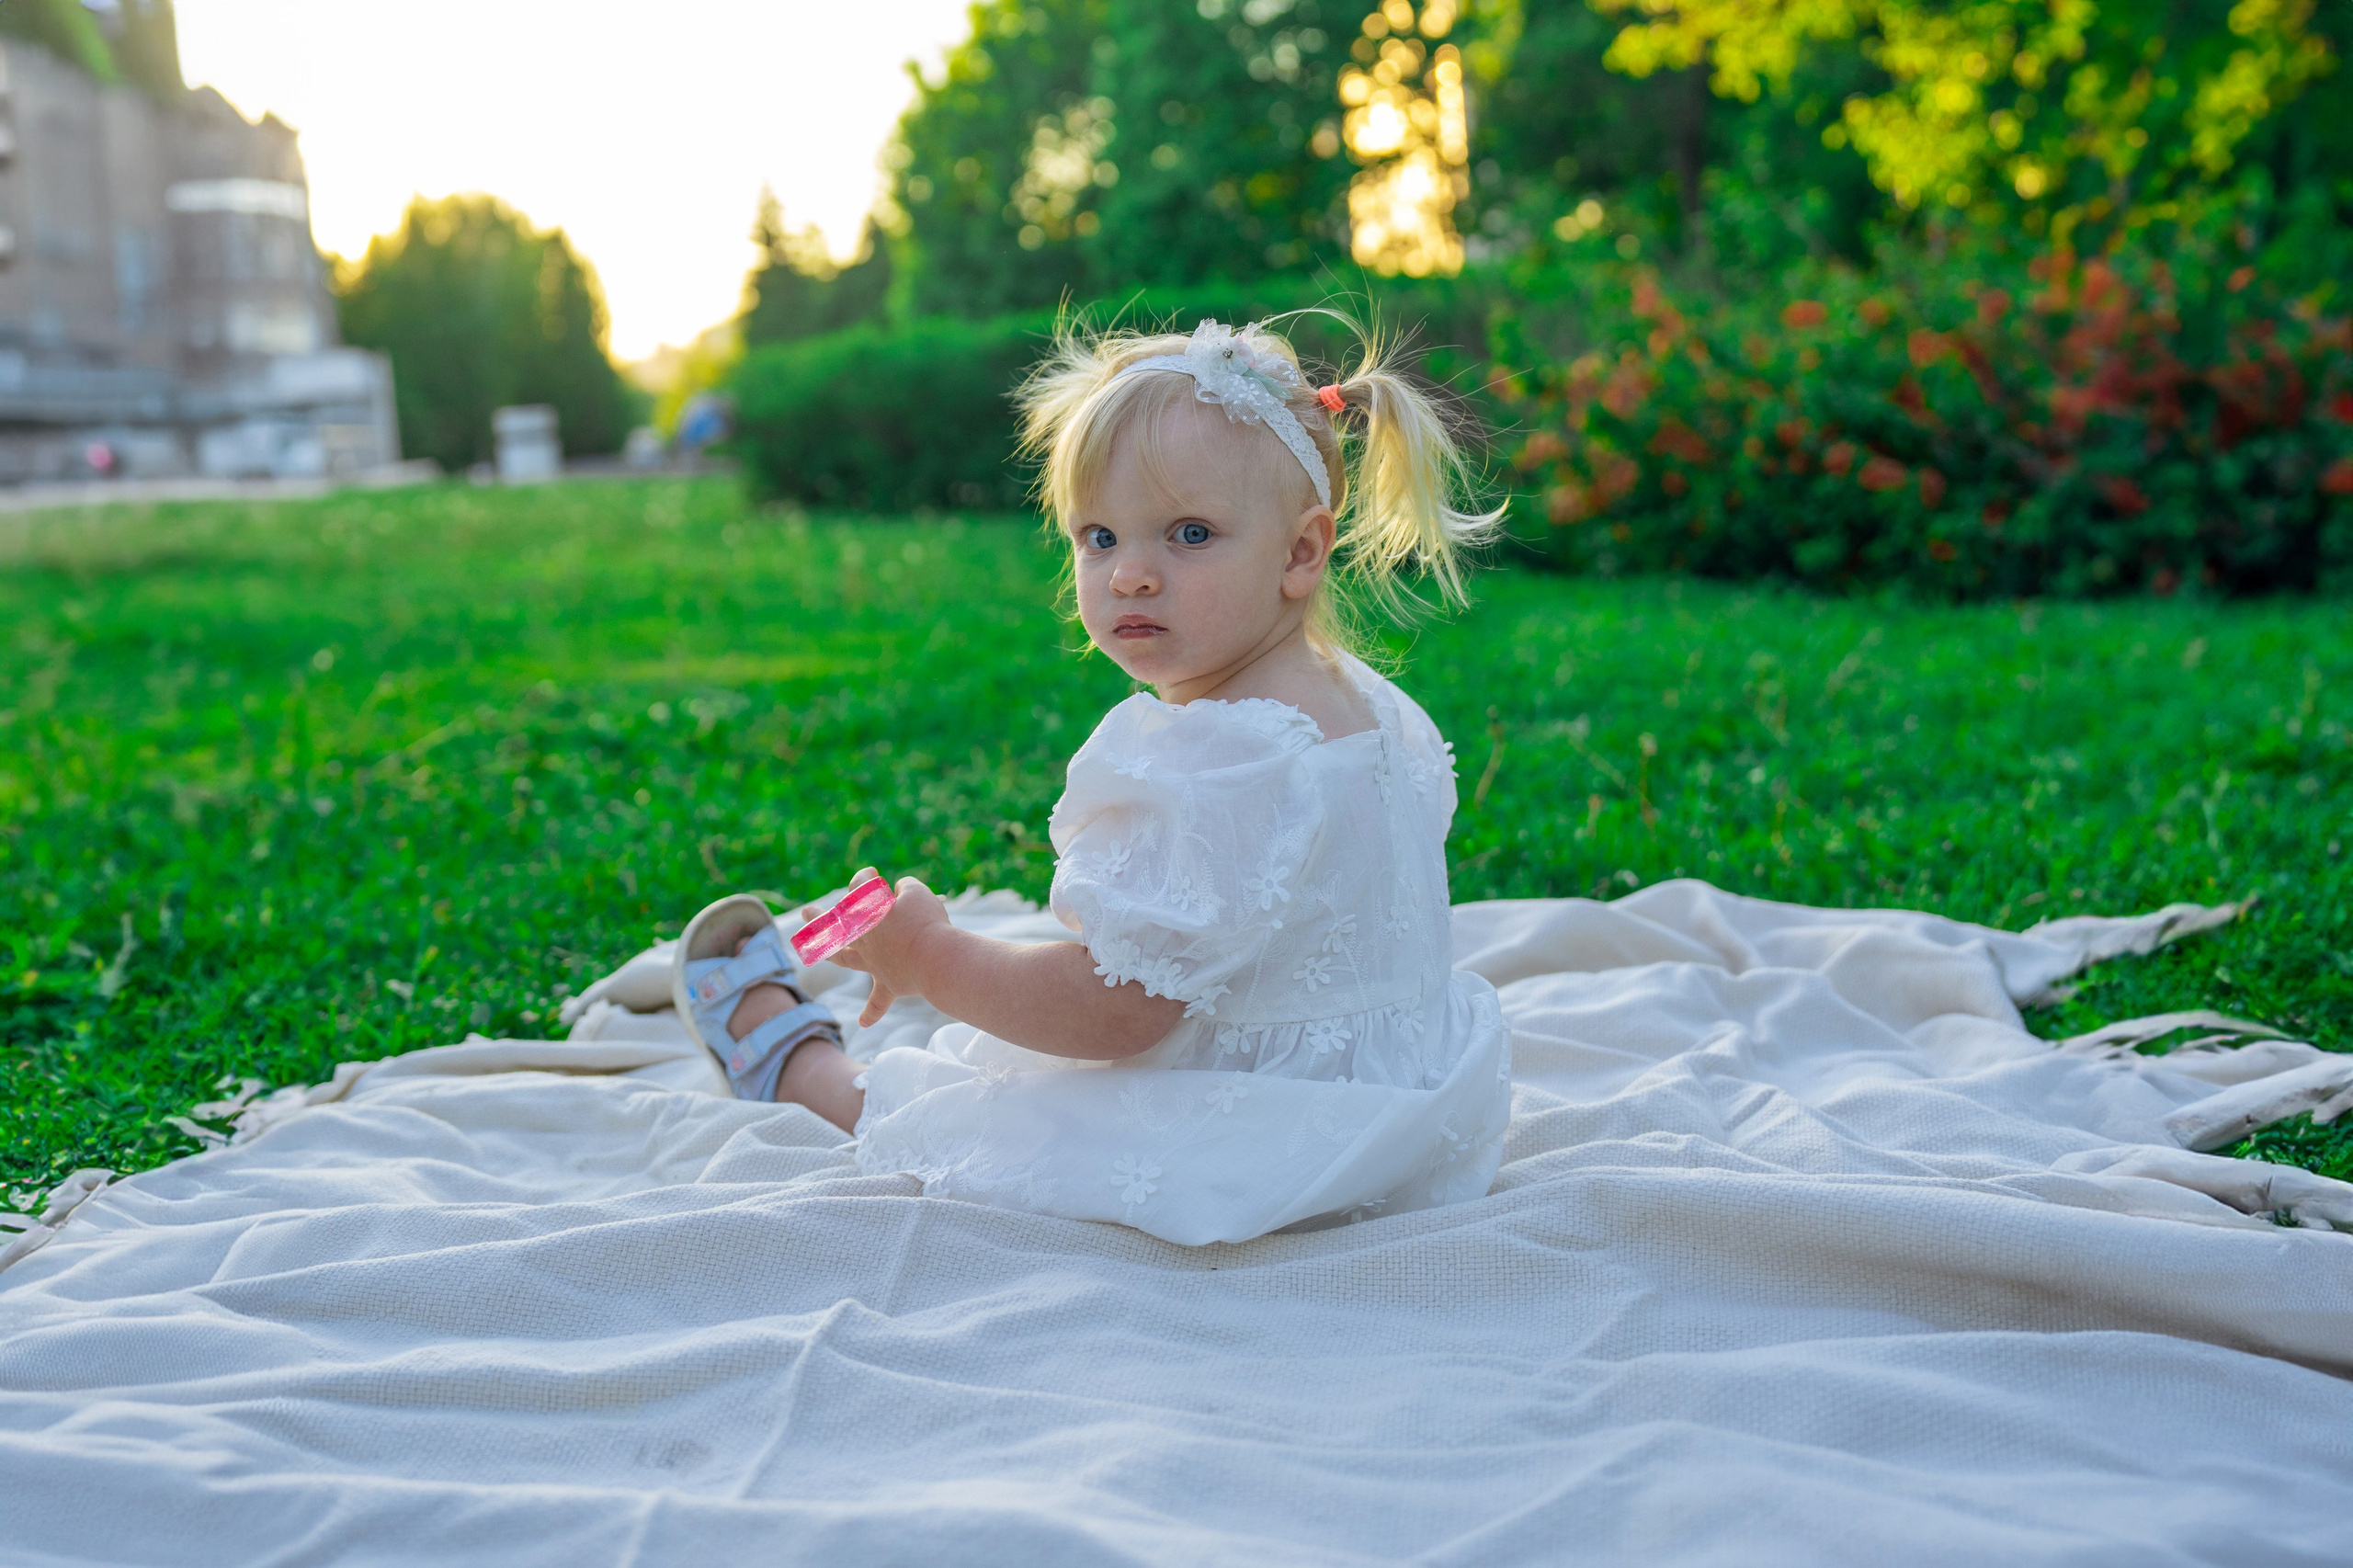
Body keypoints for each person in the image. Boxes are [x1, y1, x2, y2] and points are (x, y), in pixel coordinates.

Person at [670, 316, 1513, 1245]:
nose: (1132, 575)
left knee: (950, 1112)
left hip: (1254, 1145)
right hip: (1403, 1121)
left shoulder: (1212, 758)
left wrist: (931, 959)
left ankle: (800, 1071)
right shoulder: (1381, 709)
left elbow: (1115, 1013)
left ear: (1300, 552)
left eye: (1189, 533)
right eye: (1099, 536)